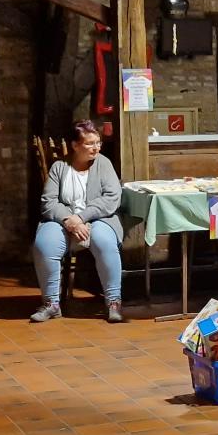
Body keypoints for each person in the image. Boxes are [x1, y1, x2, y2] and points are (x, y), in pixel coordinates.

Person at [32, 121, 125, 324]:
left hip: (99, 218)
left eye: (98, 143)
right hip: (64, 220)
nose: (96, 148)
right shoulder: (59, 168)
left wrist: (81, 218)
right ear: (75, 145)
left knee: (104, 240)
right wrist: (68, 220)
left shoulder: (104, 164)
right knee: (44, 243)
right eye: (90, 143)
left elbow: (112, 198)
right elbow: (48, 202)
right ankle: (51, 304)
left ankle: (113, 302)